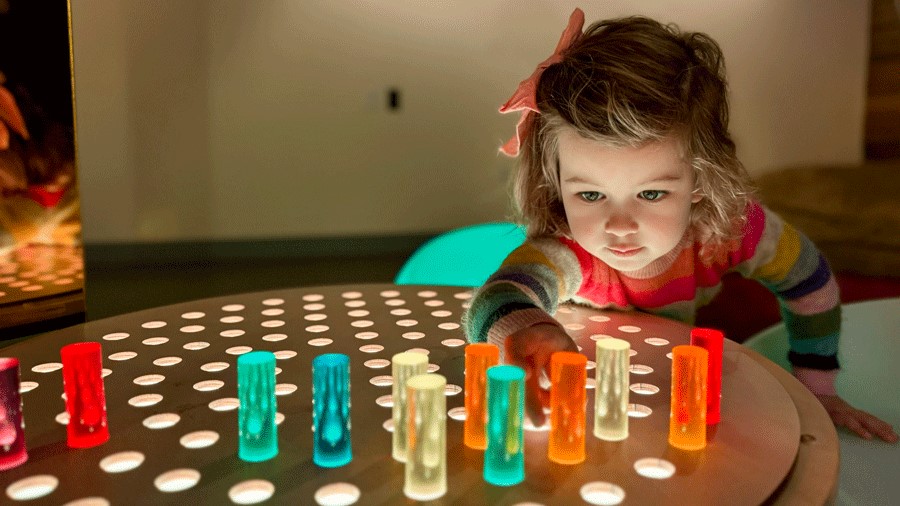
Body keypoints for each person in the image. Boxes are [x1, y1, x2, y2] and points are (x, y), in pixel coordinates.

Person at [463, 8, 898, 443]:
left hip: (668, 406)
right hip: (580, 411)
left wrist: (818, 392)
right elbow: (499, 296)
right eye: (590, 195)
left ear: (700, 179)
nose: (618, 226)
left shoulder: (728, 230)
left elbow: (810, 279)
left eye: (651, 194)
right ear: (556, 182)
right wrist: (530, 329)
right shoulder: (567, 250)